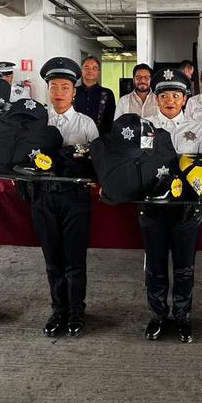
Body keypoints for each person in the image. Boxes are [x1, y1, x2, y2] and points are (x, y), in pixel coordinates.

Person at [139, 68, 202, 344]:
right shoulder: (144, 126)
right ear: (156, 99)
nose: (170, 99)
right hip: (153, 208)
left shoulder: (197, 129)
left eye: (176, 94)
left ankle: (183, 316)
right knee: (155, 266)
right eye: (164, 95)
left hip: (186, 210)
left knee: (184, 267)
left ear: (185, 99)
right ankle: (158, 316)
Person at [32, 57, 99, 337]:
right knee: (52, 260)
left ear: (74, 91)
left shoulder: (86, 125)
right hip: (43, 198)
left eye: (64, 86)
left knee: (74, 260)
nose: (58, 91)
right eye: (53, 86)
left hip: (74, 198)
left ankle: (76, 312)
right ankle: (58, 311)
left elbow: (97, 164)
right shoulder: (35, 123)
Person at [74, 55, 116, 135]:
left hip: (100, 139)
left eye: (94, 68)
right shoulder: (74, 92)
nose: (90, 71)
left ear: (98, 72)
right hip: (76, 138)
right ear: (81, 71)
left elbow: (111, 119)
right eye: (86, 68)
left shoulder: (107, 93)